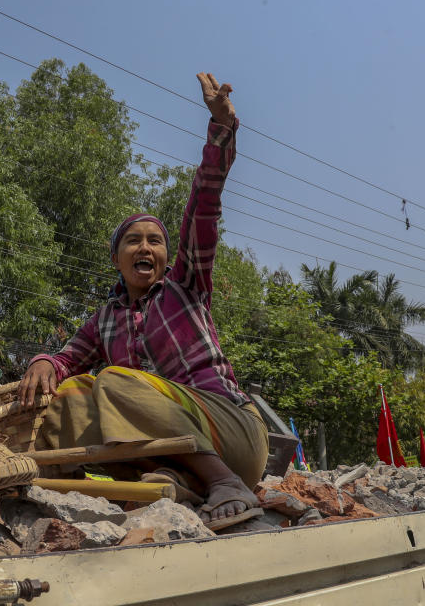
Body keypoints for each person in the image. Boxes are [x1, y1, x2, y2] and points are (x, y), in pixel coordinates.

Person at [17, 73, 268, 527]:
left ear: (169, 255)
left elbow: (204, 202)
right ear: (116, 258)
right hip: (168, 453)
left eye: (155, 241)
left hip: (231, 432)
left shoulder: (184, 287)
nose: (145, 248)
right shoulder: (105, 318)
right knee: (72, 395)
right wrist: (43, 363)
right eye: (133, 241)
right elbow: (67, 360)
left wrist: (221, 129)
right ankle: (153, 481)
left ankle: (224, 482)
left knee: (116, 381)